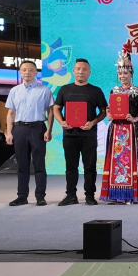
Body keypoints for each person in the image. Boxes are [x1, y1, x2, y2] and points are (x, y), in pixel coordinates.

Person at [99, 49, 138, 204]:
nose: (122, 76)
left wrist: (135, 118)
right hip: (116, 130)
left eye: (125, 73)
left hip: (131, 130)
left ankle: (132, 194)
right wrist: (109, 114)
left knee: (134, 160)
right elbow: (109, 108)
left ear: (131, 74)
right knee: (115, 161)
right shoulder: (114, 90)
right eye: (120, 73)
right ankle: (116, 194)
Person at [53, 58, 108, 206]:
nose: (81, 72)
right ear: (73, 71)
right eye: (78, 69)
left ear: (89, 72)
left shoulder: (96, 91)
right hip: (69, 135)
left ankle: (90, 195)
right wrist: (61, 121)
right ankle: (70, 195)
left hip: (88, 135)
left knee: (90, 166)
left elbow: (103, 111)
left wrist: (92, 122)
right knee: (71, 167)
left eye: (84, 69)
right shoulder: (64, 89)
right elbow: (56, 108)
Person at [5, 60, 54, 206]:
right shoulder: (14, 91)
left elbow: (51, 112)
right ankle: (22, 196)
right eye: (24, 70)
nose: (27, 72)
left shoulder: (44, 90)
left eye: (31, 70)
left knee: (39, 164)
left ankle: (40, 196)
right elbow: (10, 113)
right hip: (19, 129)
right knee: (22, 165)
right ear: (20, 72)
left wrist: (49, 130)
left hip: (38, 128)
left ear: (36, 72)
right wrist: (9, 133)